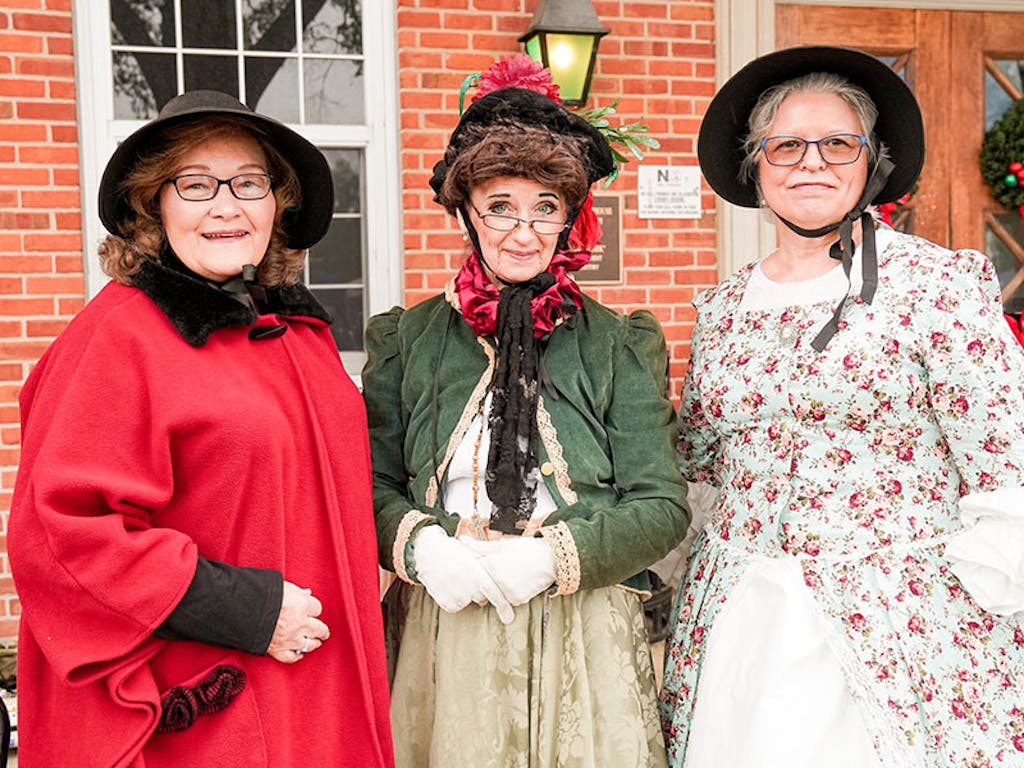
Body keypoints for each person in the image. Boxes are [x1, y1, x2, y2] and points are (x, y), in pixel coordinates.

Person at [659, 45, 1024, 767]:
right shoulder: (724, 308)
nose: (812, 163)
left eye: (837, 143)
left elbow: (1004, 459)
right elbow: (699, 461)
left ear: (871, 161)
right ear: (756, 166)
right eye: (787, 145)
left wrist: (967, 601)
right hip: (739, 618)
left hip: (898, 621)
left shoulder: (935, 286)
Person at [9, 90, 394, 767]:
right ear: (153, 204)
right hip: (213, 699)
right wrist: (242, 608)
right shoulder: (118, 338)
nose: (225, 205)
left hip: (321, 688)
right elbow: (61, 534)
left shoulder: (296, 331)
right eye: (194, 184)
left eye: (249, 183)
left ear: (279, 203)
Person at [362, 82, 689, 767]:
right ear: (467, 214)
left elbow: (661, 506)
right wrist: (425, 550)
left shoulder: (619, 344)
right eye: (501, 207)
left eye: (545, 210)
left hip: (585, 625)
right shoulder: (407, 338)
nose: (522, 231)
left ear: (569, 220)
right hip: (445, 618)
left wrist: (550, 558)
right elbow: (371, 483)